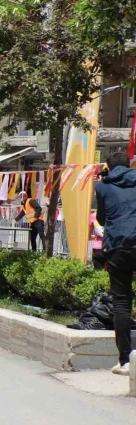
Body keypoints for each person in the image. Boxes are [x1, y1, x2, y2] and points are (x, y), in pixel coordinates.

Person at [95, 152, 136, 376]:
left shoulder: (102, 186)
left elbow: (101, 218)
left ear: (108, 167)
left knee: (121, 302)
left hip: (119, 247)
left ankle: (125, 361)